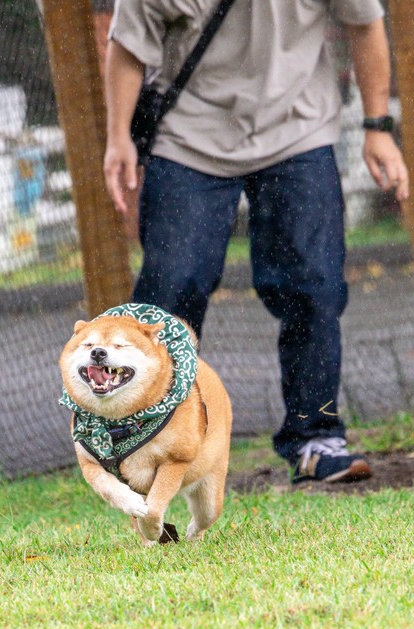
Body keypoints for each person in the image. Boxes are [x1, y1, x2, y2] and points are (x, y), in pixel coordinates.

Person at [103, 0, 410, 484]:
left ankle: (316, 436)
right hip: (187, 136)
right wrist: (118, 137)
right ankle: (148, 439)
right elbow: (126, 47)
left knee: (314, 286)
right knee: (170, 291)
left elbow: (365, 23)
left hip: (298, 129)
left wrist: (377, 127)